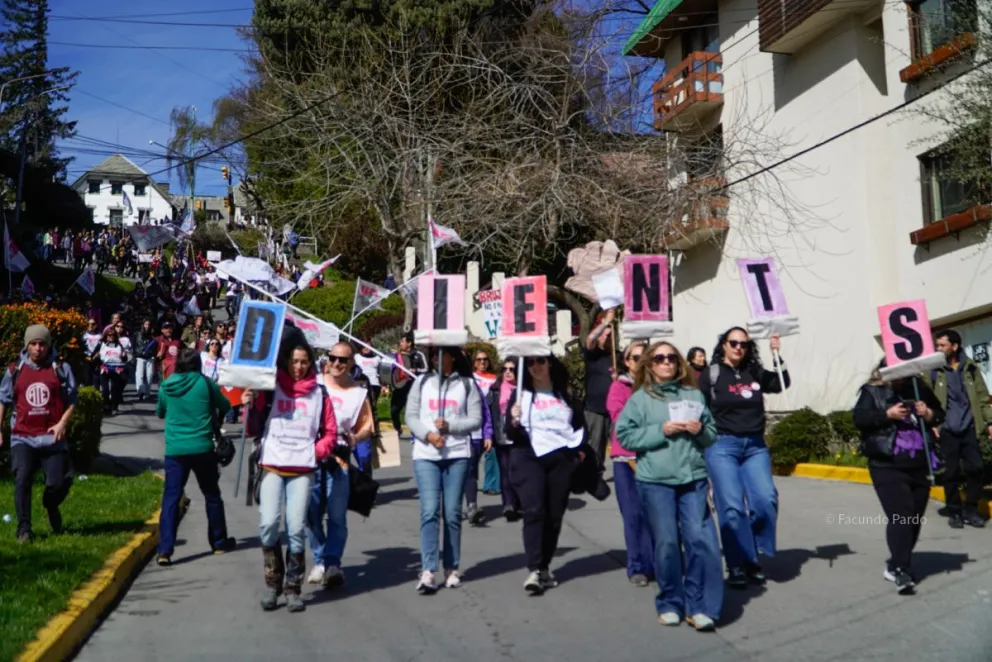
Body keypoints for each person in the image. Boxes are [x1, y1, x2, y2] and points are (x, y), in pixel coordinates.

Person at [616, 342, 722, 630]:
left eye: (671, 358)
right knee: (666, 545)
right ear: (650, 365)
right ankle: (670, 602)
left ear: (679, 363)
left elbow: (711, 434)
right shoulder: (640, 399)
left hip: (693, 480)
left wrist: (700, 431)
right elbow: (624, 435)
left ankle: (698, 605)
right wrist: (660, 431)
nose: (666, 362)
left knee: (699, 541)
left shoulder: (693, 394)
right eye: (660, 358)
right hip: (655, 481)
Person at [243, 339, 338, 613]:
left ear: (311, 364)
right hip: (272, 465)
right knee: (268, 524)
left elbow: (330, 432)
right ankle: (273, 584)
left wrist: (316, 451)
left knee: (296, 529)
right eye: (294, 361)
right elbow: (253, 426)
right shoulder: (271, 388)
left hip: (303, 470)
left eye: (304, 362)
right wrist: (248, 403)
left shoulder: (320, 393)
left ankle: (292, 588)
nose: (298, 367)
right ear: (286, 361)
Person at [697, 327, 789, 589]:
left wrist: (777, 356)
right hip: (722, 445)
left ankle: (751, 551)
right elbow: (697, 406)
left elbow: (781, 384)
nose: (739, 348)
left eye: (744, 344)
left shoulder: (754, 371)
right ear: (723, 345)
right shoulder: (711, 374)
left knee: (765, 499)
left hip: (755, 446)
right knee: (732, 507)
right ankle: (739, 564)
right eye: (734, 343)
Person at [853, 359, 944, 594]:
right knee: (901, 514)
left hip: (920, 462)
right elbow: (860, 419)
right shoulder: (873, 390)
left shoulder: (918, 388)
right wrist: (887, 414)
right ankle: (902, 570)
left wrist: (928, 413)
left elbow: (938, 415)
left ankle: (896, 562)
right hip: (887, 464)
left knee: (913, 517)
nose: (899, 377)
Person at [405, 346, 482, 594]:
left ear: (451, 356)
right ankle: (428, 569)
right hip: (426, 455)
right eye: (432, 354)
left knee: (451, 513)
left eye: (441, 354)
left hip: (457, 455)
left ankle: (452, 567)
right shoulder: (421, 382)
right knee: (429, 511)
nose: (436, 359)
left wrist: (451, 426)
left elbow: (476, 419)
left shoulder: (467, 385)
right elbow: (411, 416)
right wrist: (428, 435)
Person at [505, 354, 584, 595]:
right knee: (534, 509)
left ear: (549, 363)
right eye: (530, 363)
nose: (536, 366)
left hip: (559, 459)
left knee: (554, 515)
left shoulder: (565, 395)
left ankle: (545, 565)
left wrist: (578, 453)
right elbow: (509, 432)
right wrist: (513, 420)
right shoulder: (520, 395)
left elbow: (580, 425)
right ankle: (534, 568)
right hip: (528, 456)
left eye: (540, 361)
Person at [155, 348, 236, 565]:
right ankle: (218, 543)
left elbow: (160, 412)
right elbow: (226, 405)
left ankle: (164, 550)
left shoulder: (166, 385)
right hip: (202, 447)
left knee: (171, 498)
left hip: (175, 450)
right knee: (212, 495)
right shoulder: (206, 383)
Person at [0, 325, 78, 543]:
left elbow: (72, 400)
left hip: (52, 438)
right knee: (22, 480)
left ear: (48, 345)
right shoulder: (15, 370)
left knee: (60, 482)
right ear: (27, 346)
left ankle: (51, 505)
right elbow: (3, 399)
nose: (37, 348)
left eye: (42, 344)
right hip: (23, 437)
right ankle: (24, 528)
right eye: (33, 344)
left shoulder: (60, 369)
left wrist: (62, 423)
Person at [306, 342, 374, 589]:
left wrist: (357, 437)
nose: (335, 363)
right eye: (332, 358)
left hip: (340, 459)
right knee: (309, 513)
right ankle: (319, 557)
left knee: (336, 516)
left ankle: (332, 562)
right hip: (310, 457)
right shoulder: (313, 383)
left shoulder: (358, 393)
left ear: (351, 364)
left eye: (342, 360)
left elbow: (368, 425)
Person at [927, 329, 992, 528]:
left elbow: (982, 398)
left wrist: (989, 423)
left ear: (954, 346)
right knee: (951, 473)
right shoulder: (934, 371)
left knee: (976, 468)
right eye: (937, 345)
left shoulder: (971, 369)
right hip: (947, 429)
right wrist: (932, 424)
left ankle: (970, 509)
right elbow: (926, 398)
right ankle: (954, 510)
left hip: (970, 427)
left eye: (943, 345)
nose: (939, 349)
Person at [606, 340, 655, 587]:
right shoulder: (619, 387)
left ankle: (656, 562)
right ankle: (637, 565)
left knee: (656, 514)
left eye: (645, 357)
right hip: (627, 459)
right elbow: (620, 419)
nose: (640, 361)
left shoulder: (657, 387)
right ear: (626, 362)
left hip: (655, 458)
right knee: (634, 514)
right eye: (635, 357)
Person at [583, 308, 620, 470]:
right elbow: (589, 340)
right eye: (604, 334)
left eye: (609, 335)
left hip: (616, 408)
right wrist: (605, 323)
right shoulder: (593, 354)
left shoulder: (617, 356)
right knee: (595, 446)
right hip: (596, 408)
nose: (606, 337)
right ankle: (593, 474)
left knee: (621, 444)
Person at [488, 357, 521, 521]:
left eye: (512, 369)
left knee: (519, 471)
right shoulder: (495, 389)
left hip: (519, 436)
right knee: (505, 470)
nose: (508, 372)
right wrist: (488, 435)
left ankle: (519, 502)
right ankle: (508, 504)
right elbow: (488, 414)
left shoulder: (523, 390)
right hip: (501, 435)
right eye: (505, 369)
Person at [465, 350, 496, 525]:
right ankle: (450, 507)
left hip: (475, 437)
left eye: (485, 359)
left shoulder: (474, 386)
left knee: (470, 471)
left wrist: (487, 433)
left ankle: (471, 506)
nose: (482, 362)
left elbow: (485, 411)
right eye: (479, 360)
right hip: (452, 438)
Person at [388, 332, 428, 438]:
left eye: (402, 341)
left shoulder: (419, 355)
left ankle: (415, 434)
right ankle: (398, 428)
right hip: (400, 387)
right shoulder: (398, 355)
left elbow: (426, 369)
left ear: (409, 343)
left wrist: (416, 370)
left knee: (413, 413)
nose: (400, 343)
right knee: (394, 411)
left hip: (413, 388)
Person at [95, 327, 129, 416]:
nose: (111, 337)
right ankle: (106, 406)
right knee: (105, 390)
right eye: (109, 335)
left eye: (113, 335)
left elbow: (125, 359)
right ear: (106, 335)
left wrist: (124, 356)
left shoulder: (119, 345)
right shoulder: (101, 344)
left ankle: (114, 406)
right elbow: (93, 356)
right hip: (104, 369)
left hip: (117, 369)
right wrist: (96, 357)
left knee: (115, 389)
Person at [134, 319, 157, 402]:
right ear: (143, 325)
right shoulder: (137, 334)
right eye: (146, 324)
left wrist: (154, 355)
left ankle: (147, 392)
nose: (147, 326)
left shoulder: (153, 336)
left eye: (149, 324)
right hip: (140, 356)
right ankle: (140, 391)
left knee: (149, 375)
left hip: (150, 357)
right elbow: (134, 345)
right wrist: (135, 355)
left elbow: (155, 346)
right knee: (139, 375)